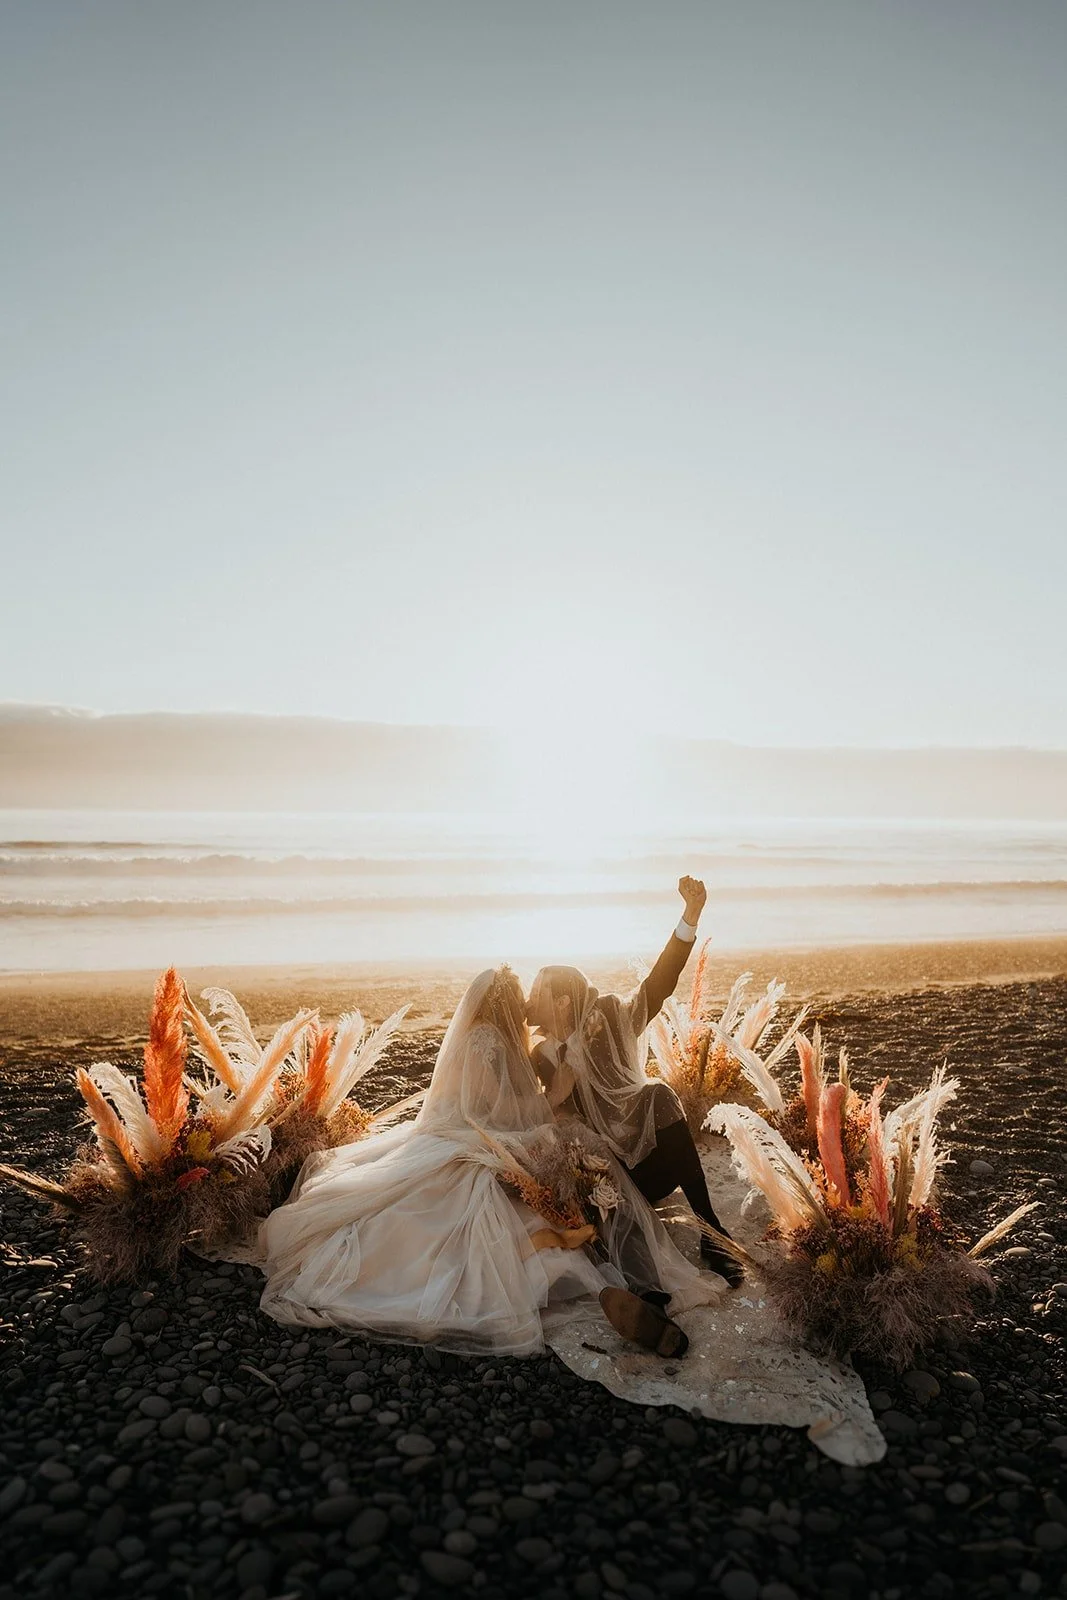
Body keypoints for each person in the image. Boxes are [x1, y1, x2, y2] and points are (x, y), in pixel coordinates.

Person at [252, 967, 719, 1357]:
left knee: (530, 1208)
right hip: (475, 1139)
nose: (526, 1010)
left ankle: (607, 1287)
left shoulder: (496, 1041)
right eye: (522, 1001)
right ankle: (611, 1286)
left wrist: (551, 1111)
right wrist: (553, 1104)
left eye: (533, 999)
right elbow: (497, 1115)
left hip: (471, 1136)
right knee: (512, 1207)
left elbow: (505, 1109)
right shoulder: (489, 1044)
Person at [526, 877, 744, 1287]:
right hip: (609, 1184)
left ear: (562, 1002)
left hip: (653, 1165)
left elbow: (658, 986)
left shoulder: (607, 1017)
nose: (530, 999)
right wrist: (555, 1097)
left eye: (538, 992)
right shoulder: (541, 1057)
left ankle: (710, 1230)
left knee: (658, 1092)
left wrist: (689, 918)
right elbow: (526, 1112)